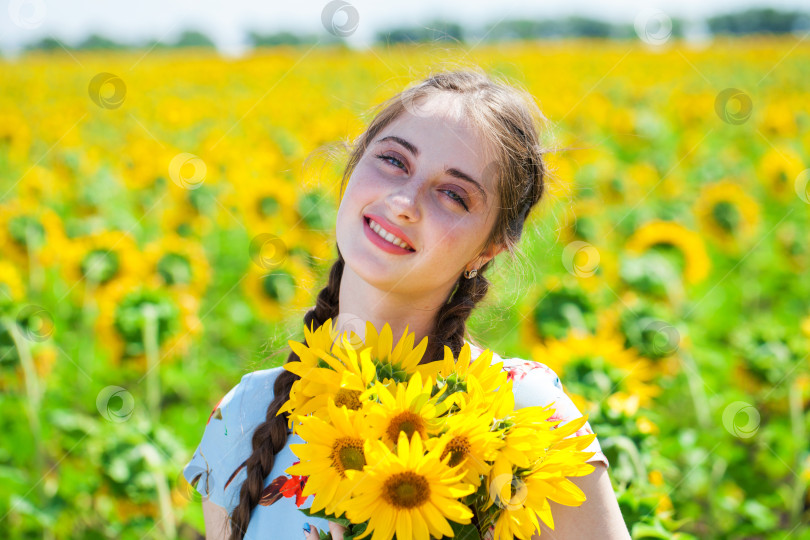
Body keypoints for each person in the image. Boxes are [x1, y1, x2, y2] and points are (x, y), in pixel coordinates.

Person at [182, 68, 631, 539]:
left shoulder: (525, 420)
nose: (404, 201)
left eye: (454, 195)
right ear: (353, 167)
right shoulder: (244, 417)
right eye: (394, 161)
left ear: (488, 249)